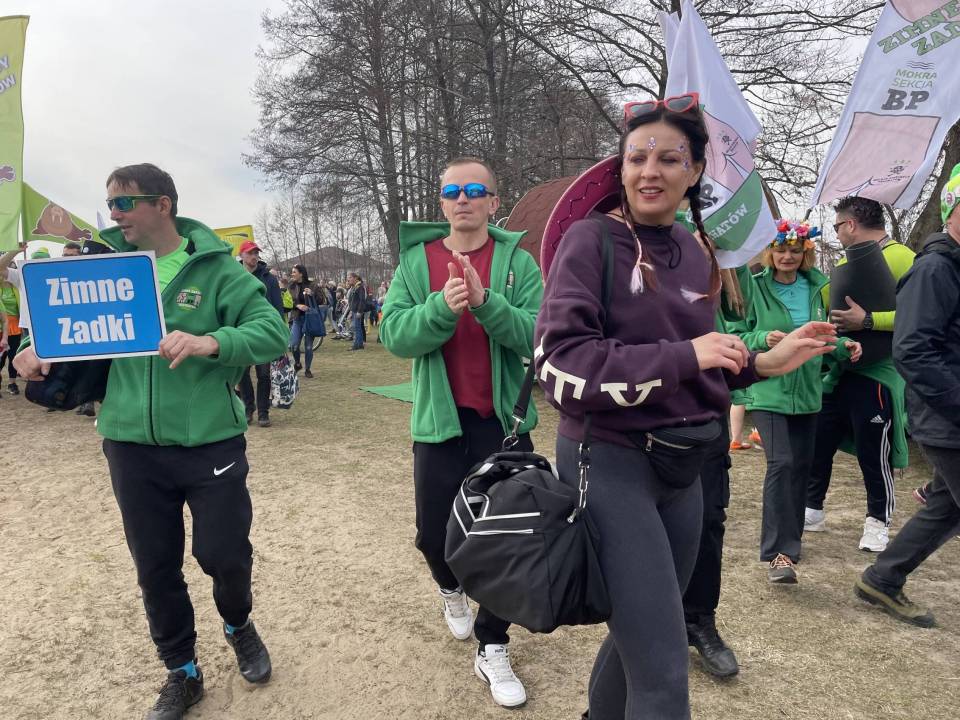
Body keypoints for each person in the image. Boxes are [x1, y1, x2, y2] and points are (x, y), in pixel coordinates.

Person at [534, 96, 842, 719]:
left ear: (695, 169)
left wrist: (761, 363)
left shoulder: (695, 248)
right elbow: (561, 365)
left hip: (686, 466)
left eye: (670, 158)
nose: (651, 171)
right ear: (620, 169)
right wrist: (685, 355)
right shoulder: (591, 241)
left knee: (646, 632)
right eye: (636, 158)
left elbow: (700, 361)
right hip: (611, 461)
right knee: (664, 672)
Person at [14, 163, 288, 720]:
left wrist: (213, 341)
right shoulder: (99, 266)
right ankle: (181, 671)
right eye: (109, 205)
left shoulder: (218, 269)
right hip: (130, 444)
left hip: (210, 442)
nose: (114, 215)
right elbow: (60, 330)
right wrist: (33, 352)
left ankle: (238, 624)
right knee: (155, 566)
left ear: (163, 204)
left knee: (224, 555)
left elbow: (272, 332)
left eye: (124, 203)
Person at [380, 156, 543, 708]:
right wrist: (440, 310)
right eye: (452, 191)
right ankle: (451, 589)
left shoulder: (518, 262)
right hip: (439, 424)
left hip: (504, 425)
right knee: (433, 535)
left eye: (475, 190)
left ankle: (492, 644)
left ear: (494, 202)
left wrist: (486, 303)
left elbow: (538, 335)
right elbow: (395, 336)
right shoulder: (415, 261)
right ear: (442, 203)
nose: (463, 199)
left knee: (509, 540)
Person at [854, 163, 960, 627]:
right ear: (953, 212)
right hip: (945, 416)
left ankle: (883, 578)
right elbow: (913, 351)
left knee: (947, 506)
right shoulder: (935, 269)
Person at [734, 221, 861, 583]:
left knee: (802, 468)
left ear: (805, 254)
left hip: (807, 394)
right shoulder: (754, 287)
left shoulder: (818, 288)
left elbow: (822, 337)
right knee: (782, 463)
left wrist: (844, 346)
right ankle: (778, 554)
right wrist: (762, 338)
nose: (787, 257)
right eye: (780, 250)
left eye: (794, 251)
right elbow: (734, 332)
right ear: (769, 253)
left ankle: (791, 545)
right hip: (767, 390)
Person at [804, 197, 914, 551]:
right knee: (820, 440)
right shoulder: (842, 263)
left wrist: (867, 320)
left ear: (850, 224)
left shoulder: (904, 258)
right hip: (840, 370)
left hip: (879, 373)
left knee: (873, 451)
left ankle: (878, 522)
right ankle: (812, 508)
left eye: (837, 226)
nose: (836, 234)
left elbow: (919, 316)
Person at [237, 240, 285, 427]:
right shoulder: (233, 276)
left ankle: (263, 413)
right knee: (242, 372)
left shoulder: (269, 278)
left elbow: (277, 307)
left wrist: (279, 334)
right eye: (250, 253)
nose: (254, 256)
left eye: (256, 253)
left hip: (264, 331)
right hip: (241, 331)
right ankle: (248, 409)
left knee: (264, 374)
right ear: (241, 255)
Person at [288, 264, 320, 377]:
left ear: (301, 273)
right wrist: (297, 305)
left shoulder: (313, 285)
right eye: (292, 272)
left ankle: (308, 369)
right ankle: (297, 363)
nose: (292, 274)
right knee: (294, 345)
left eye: (294, 272)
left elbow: (322, 300)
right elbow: (287, 301)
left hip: (310, 319)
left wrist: (312, 294)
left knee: (308, 346)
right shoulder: (291, 285)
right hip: (297, 319)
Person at [0, 272, 21, 395]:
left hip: (15, 326)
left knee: (13, 356)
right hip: (2, 327)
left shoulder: (16, 288)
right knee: (1, 358)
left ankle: (12, 383)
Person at [346, 270, 366, 350]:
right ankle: (360, 344)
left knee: (356, 328)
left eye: (350, 277)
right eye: (348, 277)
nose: (349, 279)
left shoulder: (360, 287)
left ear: (355, 278)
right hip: (354, 310)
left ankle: (356, 345)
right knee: (358, 328)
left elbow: (362, 300)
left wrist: (359, 311)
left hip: (357, 311)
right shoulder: (355, 287)